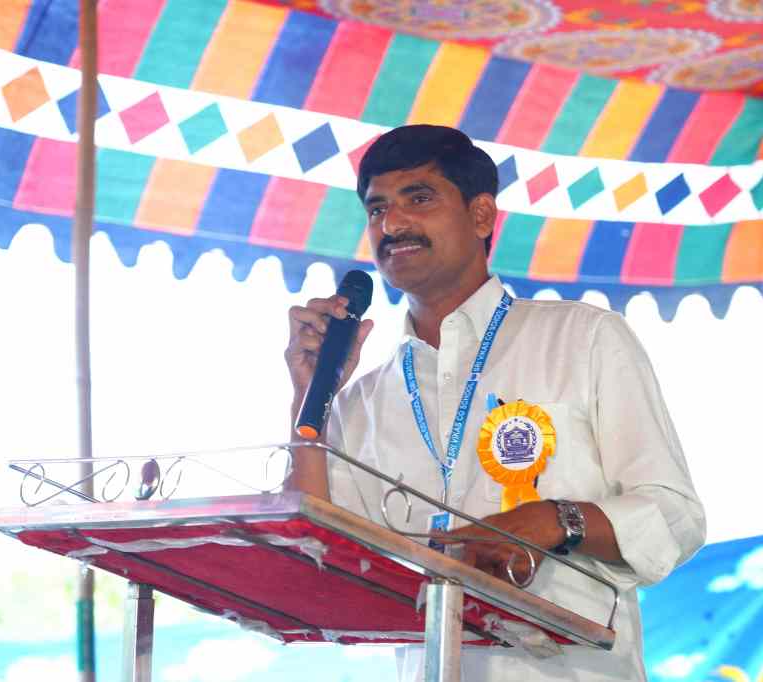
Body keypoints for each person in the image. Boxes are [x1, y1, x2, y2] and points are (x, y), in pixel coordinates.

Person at [284, 125, 705, 681]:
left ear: (481, 216)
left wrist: (555, 521)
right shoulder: (361, 399)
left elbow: (675, 515)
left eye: (418, 198)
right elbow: (315, 559)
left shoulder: (583, 338)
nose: (392, 224)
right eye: (377, 209)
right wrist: (308, 394)